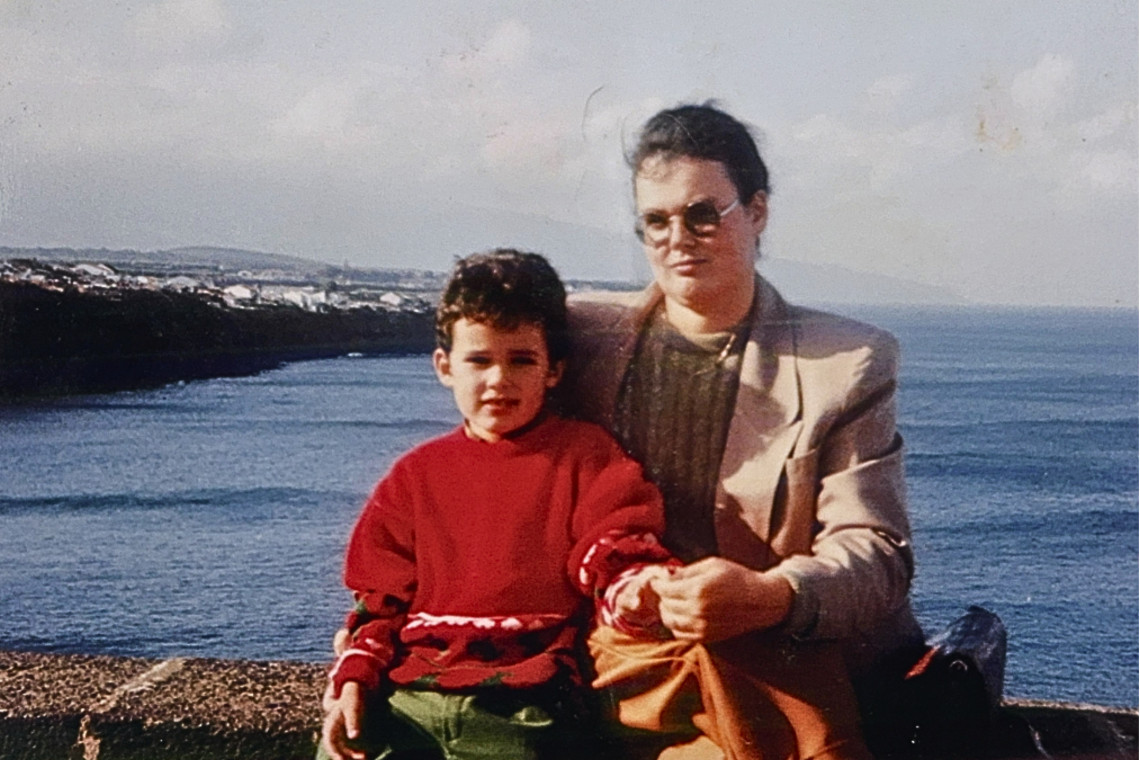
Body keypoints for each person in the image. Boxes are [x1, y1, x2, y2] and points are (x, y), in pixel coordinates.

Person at [561, 103, 925, 758]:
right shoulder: (580, 338)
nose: (678, 238)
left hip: (777, 683)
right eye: (655, 221)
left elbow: (877, 553)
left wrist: (771, 596)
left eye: (704, 214)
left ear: (756, 212)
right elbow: (485, 473)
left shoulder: (845, 364)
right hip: (634, 672)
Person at [319, 250, 679, 760]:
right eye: (480, 360)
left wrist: (641, 588)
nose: (498, 380)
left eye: (522, 360)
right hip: (406, 701)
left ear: (553, 369)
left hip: (527, 707)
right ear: (445, 366)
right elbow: (378, 603)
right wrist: (353, 681)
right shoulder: (414, 476)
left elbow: (614, 547)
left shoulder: (585, 455)